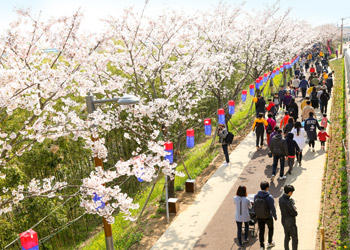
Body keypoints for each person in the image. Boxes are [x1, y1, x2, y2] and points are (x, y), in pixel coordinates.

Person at [254, 181, 277, 249]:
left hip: (259, 216)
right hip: (268, 216)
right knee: (271, 228)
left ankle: (261, 245)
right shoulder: (269, 197)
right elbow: (272, 208)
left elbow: (255, 206)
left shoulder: (256, 196)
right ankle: (270, 242)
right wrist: (275, 216)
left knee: (261, 231)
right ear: (267, 188)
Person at [279, 185, 298, 250]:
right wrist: (293, 206)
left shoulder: (280, 199)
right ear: (289, 192)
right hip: (290, 222)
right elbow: (295, 213)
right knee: (294, 238)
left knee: (287, 237)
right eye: (292, 192)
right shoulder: (288, 202)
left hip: (284, 220)